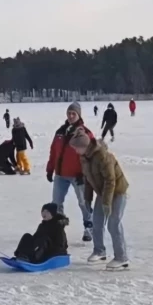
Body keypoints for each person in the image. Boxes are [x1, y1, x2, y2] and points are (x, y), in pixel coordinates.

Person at [69, 128, 130, 270]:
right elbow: (88, 179)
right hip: (103, 192)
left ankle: (122, 257)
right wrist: (88, 199)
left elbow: (111, 180)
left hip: (118, 191)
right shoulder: (84, 157)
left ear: (84, 146)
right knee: (96, 221)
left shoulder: (103, 156)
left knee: (113, 224)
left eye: (76, 148)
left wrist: (107, 203)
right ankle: (99, 251)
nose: (75, 151)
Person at [45, 102, 94, 243]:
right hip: (61, 174)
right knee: (56, 203)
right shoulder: (60, 132)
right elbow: (54, 151)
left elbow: (90, 155)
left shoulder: (85, 133)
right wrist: (50, 169)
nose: (71, 116)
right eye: (69, 113)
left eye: (74, 113)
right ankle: (57, 228)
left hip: (78, 175)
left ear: (79, 115)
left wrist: (85, 174)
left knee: (83, 202)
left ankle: (89, 226)